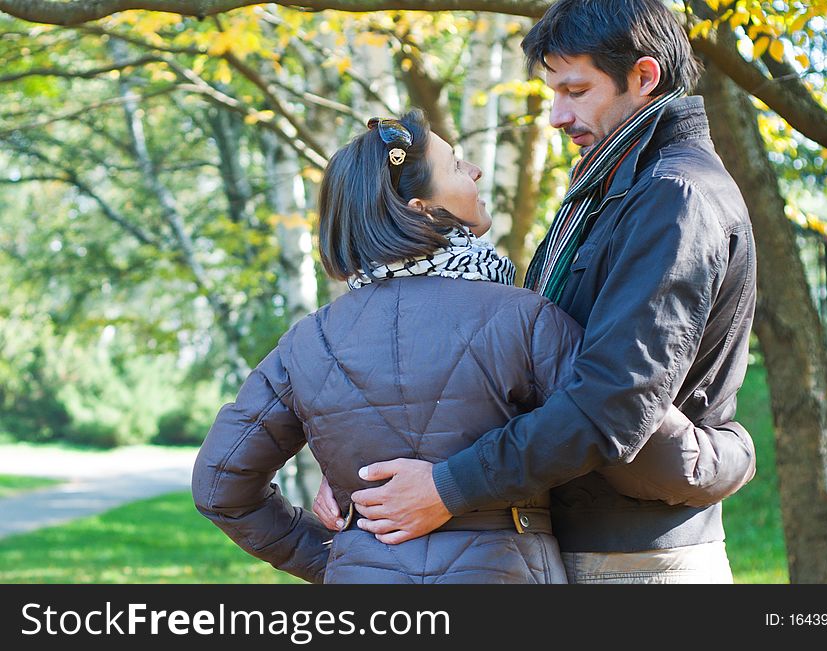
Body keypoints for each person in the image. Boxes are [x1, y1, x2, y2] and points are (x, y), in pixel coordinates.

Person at [192, 108, 750, 584]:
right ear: (419, 210)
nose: (476, 169)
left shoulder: (305, 343)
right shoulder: (525, 319)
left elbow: (221, 486)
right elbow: (627, 443)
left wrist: (340, 556)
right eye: (457, 165)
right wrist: (732, 454)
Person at [314, 0, 758, 584]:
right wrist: (364, 450)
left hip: (634, 562)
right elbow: (520, 378)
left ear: (644, 78)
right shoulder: (607, 186)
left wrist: (450, 486)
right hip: (572, 545)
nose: (556, 115)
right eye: (553, 92)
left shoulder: (673, 198)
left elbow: (614, 403)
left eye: (575, 91)